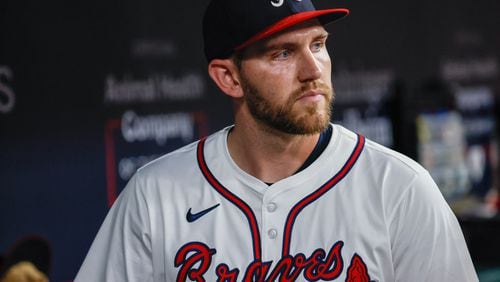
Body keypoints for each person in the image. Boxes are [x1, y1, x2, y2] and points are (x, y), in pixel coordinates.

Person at [75, 0, 478, 281]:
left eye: (317, 45)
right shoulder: (154, 196)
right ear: (228, 77)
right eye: (282, 54)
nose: (312, 70)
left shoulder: (400, 188)